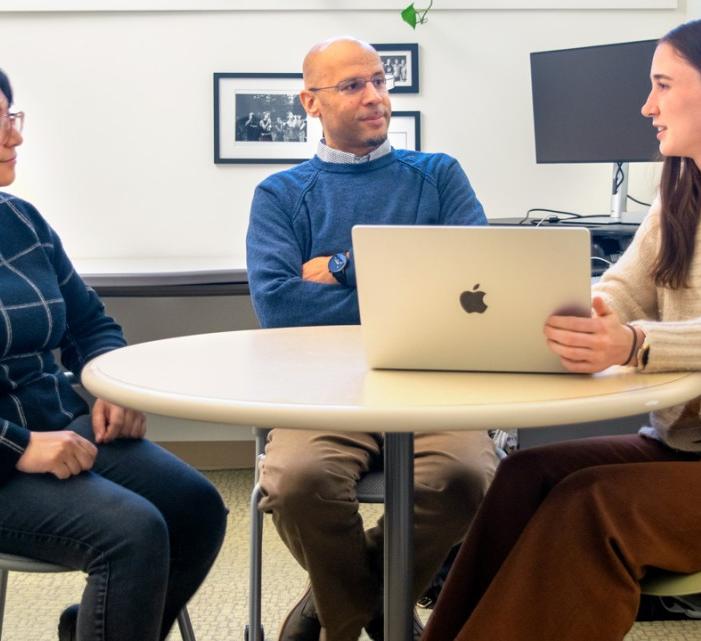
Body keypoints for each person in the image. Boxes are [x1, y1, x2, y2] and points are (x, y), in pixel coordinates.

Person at [420, 18, 701, 641]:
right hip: (681, 447)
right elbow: (629, 285)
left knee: (590, 504)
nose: (646, 105)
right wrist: (588, 308)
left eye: (662, 85)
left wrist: (637, 343)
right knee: (525, 475)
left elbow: (644, 332)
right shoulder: (681, 189)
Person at [246, 37, 498, 641]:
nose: (375, 96)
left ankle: (335, 608)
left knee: (467, 477)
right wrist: (414, 282)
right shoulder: (281, 195)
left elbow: (478, 280)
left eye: (380, 81)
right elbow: (280, 307)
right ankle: (380, 614)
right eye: (353, 85)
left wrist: (338, 265)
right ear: (311, 102)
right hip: (324, 388)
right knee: (298, 480)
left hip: (433, 382)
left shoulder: (437, 176)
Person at [0, 69, 228, 641]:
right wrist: (19, 445)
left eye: (12, 116)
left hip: (61, 425)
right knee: (134, 532)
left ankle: (94, 629)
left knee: (198, 507)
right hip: (10, 451)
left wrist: (107, 386)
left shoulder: (21, 221)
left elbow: (90, 324)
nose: (15, 137)